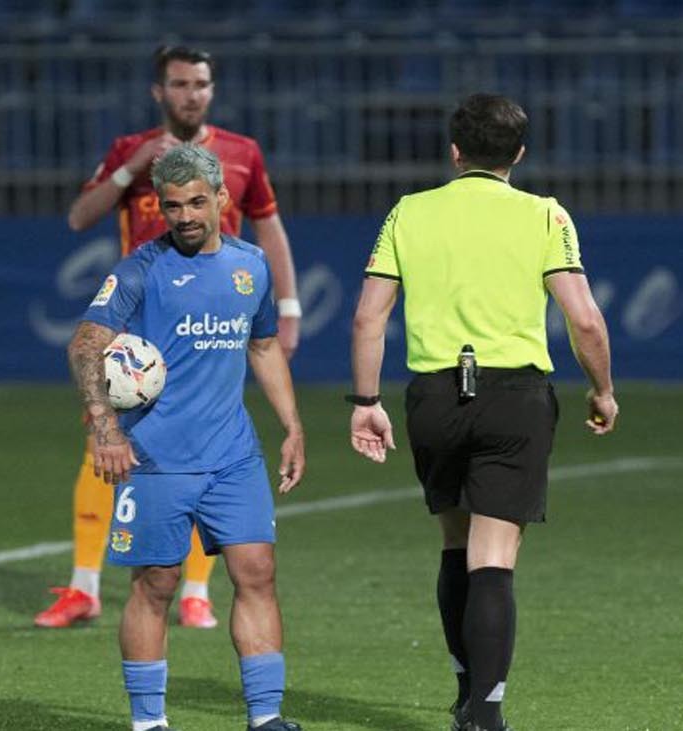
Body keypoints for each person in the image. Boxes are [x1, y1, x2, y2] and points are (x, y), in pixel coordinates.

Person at [348, 94, 618, 731]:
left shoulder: (408, 212)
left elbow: (367, 318)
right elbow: (584, 319)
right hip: (514, 399)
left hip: (435, 397)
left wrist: (366, 403)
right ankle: (486, 715)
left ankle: (466, 692)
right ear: (519, 153)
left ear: (454, 151)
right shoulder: (545, 215)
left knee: (455, 543)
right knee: (493, 557)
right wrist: (602, 389)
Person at [39, 44, 303, 630]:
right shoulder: (131, 151)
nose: (191, 94)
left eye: (200, 84)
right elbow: (80, 216)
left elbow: (270, 229)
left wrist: (287, 308)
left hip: (210, 322)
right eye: (180, 84)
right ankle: (84, 586)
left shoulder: (241, 153)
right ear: (159, 92)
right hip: (138, 332)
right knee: (102, 443)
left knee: (207, 442)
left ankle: (196, 592)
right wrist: (131, 169)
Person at [69, 143, 305, 731]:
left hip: (233, 456)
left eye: (197, 203)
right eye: (172, 206)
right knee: (156, 584)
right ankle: (149, 722)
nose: (185, 216)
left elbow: (264, 346)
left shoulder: (252, 265)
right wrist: (106, 429)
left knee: (257, 572)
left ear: (222, 199)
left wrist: (292, 426)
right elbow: (85, 345)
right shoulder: (140, 269)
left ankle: (266, 716)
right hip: (155, 458)